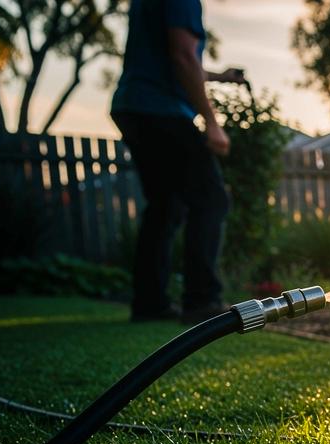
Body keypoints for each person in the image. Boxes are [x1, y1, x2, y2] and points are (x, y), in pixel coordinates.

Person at [111, 0, 245, 323]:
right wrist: (211, 122)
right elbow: (183, 56)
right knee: (211, 199)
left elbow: (169, 59)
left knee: (165, 205)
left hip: (133, 106)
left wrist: (219, 76)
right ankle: (202, 300)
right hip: (162, 109)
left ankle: (150, 302)